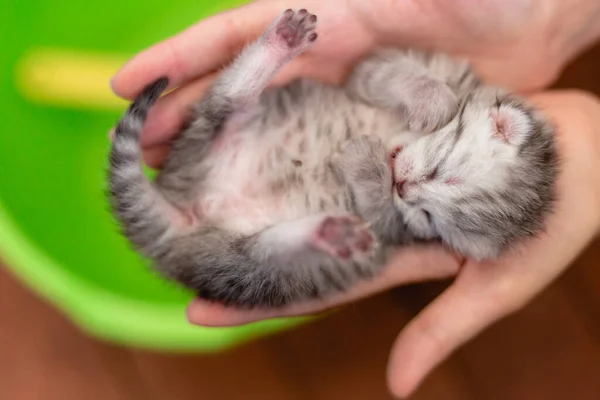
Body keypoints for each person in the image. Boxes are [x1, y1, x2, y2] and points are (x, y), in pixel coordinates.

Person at [110, 0, 600, 397]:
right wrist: (417, 86)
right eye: (436, 172)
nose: (408, 187)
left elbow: (388, 226)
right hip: (247, 149)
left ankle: (298, 237)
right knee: (225, 116)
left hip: (264, 228)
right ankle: (269, 55)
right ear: (498, 126)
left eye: (428, 215)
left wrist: (379, 195)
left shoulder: (414, 204)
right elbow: (370, 75)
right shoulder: (462, 91)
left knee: (270, 270)